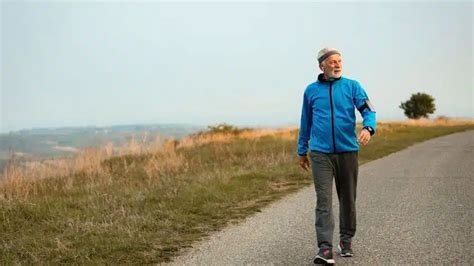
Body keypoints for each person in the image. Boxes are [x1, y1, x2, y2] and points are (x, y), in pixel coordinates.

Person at [297, 47, 376, 264]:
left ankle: (346, 240)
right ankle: (325, 249)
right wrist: (302, 150)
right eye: (332, 61)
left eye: (340, 61)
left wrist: (368, 128)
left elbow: (368, 110)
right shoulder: (311, 91)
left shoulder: (352, 86)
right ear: (321, 66)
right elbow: (306, 121)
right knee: (323, 201)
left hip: (347, 151)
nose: (337, 64)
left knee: (348, 199)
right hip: (321, 154)